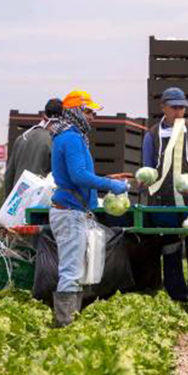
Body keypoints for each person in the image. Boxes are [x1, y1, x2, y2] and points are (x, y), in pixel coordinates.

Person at [50, 89, 130, 326]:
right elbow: (79, 176)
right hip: (70, 212)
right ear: (75, 112)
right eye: (88, 111)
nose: (92, 116)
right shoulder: (72, 138)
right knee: (71, 273)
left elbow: (78, 175)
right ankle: (65, 326)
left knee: (74, 271)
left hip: (73, 209)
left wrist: (105, 180)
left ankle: (69, 323)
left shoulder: (67, 135)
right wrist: (111, 184)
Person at [141, 87, 188, 319]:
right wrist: (144, 180)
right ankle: (177, 300)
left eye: (182, 107)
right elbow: (148, 169)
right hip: (163, 206)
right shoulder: (151, 136)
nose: (179, 111)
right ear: (163, 107)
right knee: (170, 250)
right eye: (174, 107)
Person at [4, 98, 63, 196]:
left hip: (18, 200)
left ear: (44, 116)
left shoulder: (22, 138)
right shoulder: (55, 142)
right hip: (40, 203)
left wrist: (8, 203)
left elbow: (9, 176)